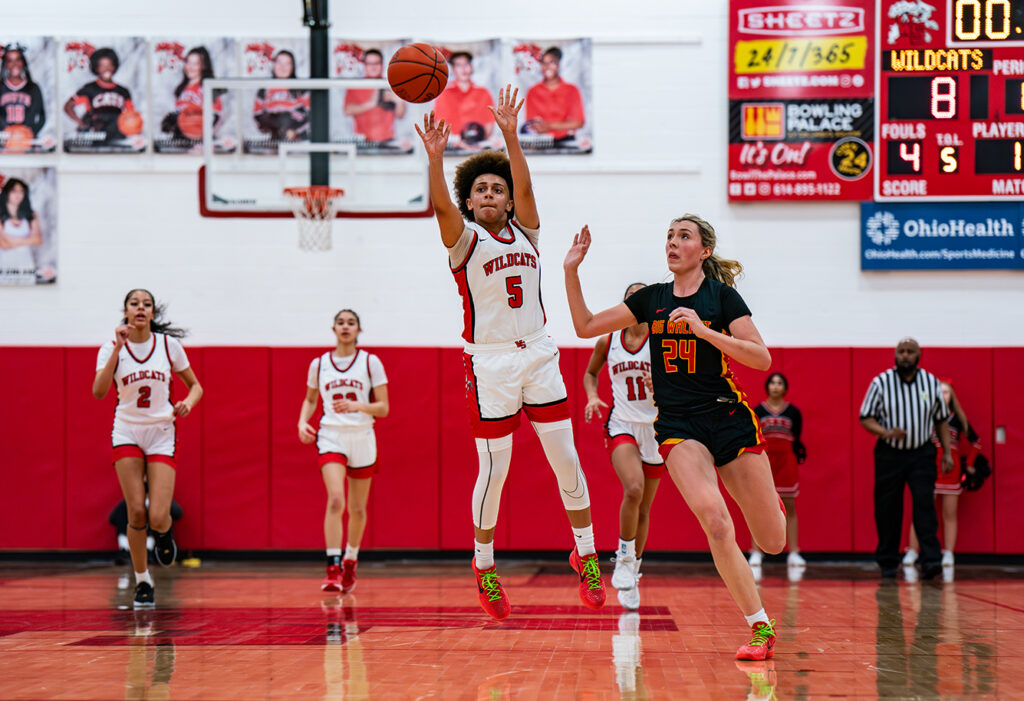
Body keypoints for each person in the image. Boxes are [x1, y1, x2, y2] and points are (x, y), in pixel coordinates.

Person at [414, 85, 605, 621]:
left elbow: (526, 183)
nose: (494, 194)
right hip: (490, 361)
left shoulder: (527, 232)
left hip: (540, 354)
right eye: (482, 190)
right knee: (495, 472)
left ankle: (587, 554)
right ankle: (484, 565)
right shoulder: (464, 241)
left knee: (565, 459)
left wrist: (511, 136)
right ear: (470, 201)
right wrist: (435, 159)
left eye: (499, 188)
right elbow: (439, 207)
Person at [564, 216, 786, 661]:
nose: (673, 241)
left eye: (684, 236)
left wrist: (705, 331)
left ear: (703, 250)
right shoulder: (651, 299)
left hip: (728, 416)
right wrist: (571, 271)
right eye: (669, 235)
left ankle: (769, 502)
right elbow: (586, 326)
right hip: (678, 426)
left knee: (772, 541)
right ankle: (760, 626)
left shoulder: (721, 297)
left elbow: (761, 358)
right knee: (717, 522)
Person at [92, 289, 203, 608]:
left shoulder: (169, 346)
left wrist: (187, 403)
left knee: (158, 515)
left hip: (161, 431)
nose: (140, 308)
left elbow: (196, 386)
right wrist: (117, 348)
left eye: (146, 304)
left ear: (153, 313)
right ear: (125, 312)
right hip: (126, 430)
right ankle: (143, 580)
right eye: (134, 303)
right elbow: (99, 392)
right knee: (136, 510)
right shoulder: (110, 348)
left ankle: (165, 534)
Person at [582, 282, 663, 611]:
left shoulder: (660, 342)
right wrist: (592, 395)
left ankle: (634, 569)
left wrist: (660, 386)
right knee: (633, 488)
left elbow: (681, 381)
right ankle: (623, 557)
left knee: (644, 507)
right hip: (622, 425)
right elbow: (590, 373)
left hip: (657, 429)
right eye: (630, 299)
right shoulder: (608, 339)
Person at [298, 309, 389, 594]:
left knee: (358, 508)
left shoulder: (370, 362)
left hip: (362, 434)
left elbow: (384, 408)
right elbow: (310, 399)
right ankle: (332, 567)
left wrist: (358, 406)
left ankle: (351, 559)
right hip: (331, 435)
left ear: (359, 330)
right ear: (333, 329)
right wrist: (302, 421)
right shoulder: (320, 363)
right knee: (336, 499)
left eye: (351, 323)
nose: (345, 327)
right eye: (341, 322)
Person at [859, 337, 952, 580]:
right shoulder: (881, 382)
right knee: (888, 510)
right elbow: (866, 417)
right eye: (901, 351)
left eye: (910, 351)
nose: (905, 355)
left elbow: (941, 420)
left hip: (922, 453)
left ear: (918, 355)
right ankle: (888, 563)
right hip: (889, 454)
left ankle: (931, 561)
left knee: (925, 508)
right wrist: (886, 432)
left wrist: (948, 453)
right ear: (895, 355)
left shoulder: (930, 382)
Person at [903, 377, 982, 569]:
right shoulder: (924, 415)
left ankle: (948, 553)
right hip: (928, 468)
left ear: (951, 395)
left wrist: (969, 464)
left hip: (951, 469)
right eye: (939, 391)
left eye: (946, 392)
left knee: (949, 513)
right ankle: (913, 551)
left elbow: (976, 442)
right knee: (921, 512)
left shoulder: (958, 418)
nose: (942, 395)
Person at [750, 372, 807, 568]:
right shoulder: (757, 410)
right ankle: (756, 552)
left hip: (786, 462)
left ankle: (794, 552)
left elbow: (797, 438)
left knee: (790, 506)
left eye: (779, 383)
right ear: (767, 386)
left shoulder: (793, 412)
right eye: (772, 382)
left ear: (785, 387)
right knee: (758, 507)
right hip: (766, 462)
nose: (775, 386)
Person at [63, 47, 135, 141]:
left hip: (116, 133)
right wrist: (80, 122)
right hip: (95, 133)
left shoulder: (123, 91)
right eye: (102, 66)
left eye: (110, 65)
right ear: (95, 68)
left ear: (115, 66)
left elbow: (131, 114)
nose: (107, 69)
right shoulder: (89, 88)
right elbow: (68, 106)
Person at [433, 52, 494, 150]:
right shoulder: (444, 93)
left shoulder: (483, 93)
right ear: (453, 69)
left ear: (471, 67)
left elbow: (489, 125)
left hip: (479, 146)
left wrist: (475, 143)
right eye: (459, 65)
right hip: (453, 146)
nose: (463, 69)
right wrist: (456, 142)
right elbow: (441, 124)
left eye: (466, 64)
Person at [343, 49, 405, 143]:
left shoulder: (390, 85)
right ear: (364, 65)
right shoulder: (356, 85)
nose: (373, 67)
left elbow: (400, 115)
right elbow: (347, 110)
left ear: (382, 65)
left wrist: (399, 101)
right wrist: (371, 103)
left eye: (376, 63)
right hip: (363, 142)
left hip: (387, 141)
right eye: (369, 63)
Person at [160, 46, 221, 142]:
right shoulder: (181, 89)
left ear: (204, 66)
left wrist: (197, 127)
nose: (190, 67)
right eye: (188, 62)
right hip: (180, 139)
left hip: (200, 141)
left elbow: (216, 116)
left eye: (196, 64)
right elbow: (179, 113)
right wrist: (170, 121)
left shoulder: (209, 88)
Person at [523, 47, 584, 142]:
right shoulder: (533, 91)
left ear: (558, 65)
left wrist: (548, 126)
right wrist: (561, 125)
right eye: (543, 63)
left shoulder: (572, 90)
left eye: (551, 62)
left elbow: (578, 122)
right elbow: (532, 123)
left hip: (566, 141)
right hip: (541, 142)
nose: (547, 67)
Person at [253, 50, 309, 143]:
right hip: (273, 138)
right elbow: (257, 115)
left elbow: (312, 116)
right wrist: (266, 130)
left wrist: (295, 131)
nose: (282, 67)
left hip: (296, 139)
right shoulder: (264, 89)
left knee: (285, 118)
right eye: (279, 62)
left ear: (293, 67)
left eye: (287, 64)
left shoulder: (300, 88)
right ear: (273, 65)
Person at [0, 177, 42, 285]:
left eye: (21, 191)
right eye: (14, 191)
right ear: (7, 193)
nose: (18, 195)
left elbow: (37, 240)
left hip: (26, 266)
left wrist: (11, 241)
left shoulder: (31, 214)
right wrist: (28, 240)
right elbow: (3, 244)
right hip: (5, 267)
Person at [0, 44, 46, 138]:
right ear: (5, 64)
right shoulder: (1, 87)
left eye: (18, 59)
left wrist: (31, 131)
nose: (14, 64)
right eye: (10, 60)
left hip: (25, 139)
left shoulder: (33, 88)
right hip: (4, 139)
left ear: (23, 62)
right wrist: (4, 130)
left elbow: (42, 116)